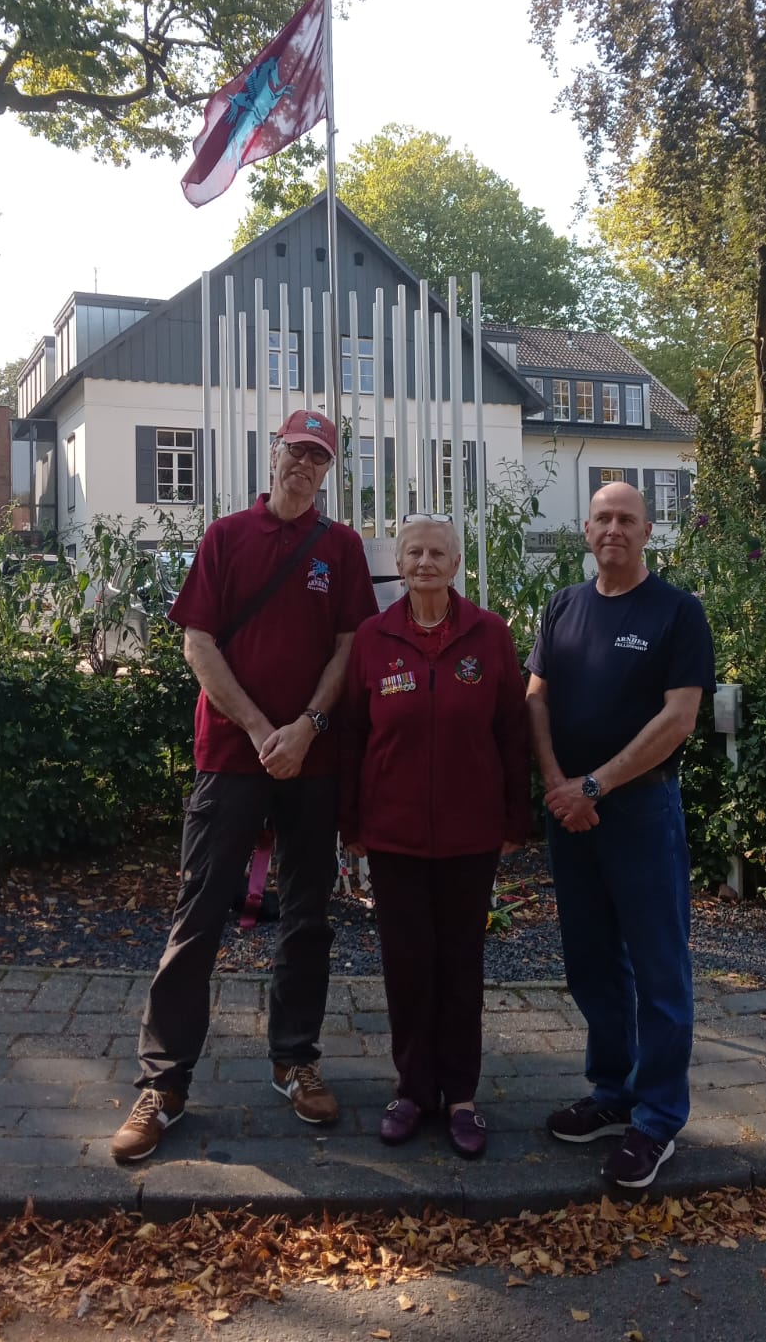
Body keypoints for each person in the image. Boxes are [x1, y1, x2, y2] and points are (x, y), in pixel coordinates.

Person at [111, 410, 378, 1163]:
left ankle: (295, 1060)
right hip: (231, 756)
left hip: (313, 760)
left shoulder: (342, 548)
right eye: (296, 451)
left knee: (306, 916)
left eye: (318, 459)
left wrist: (308, 727)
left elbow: (349, 647)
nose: (303, 466)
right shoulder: (226, 537)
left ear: (329, 472)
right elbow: (198, 644)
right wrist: (264, 731)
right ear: (273, 453)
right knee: (198, 916)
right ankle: (163, 1085)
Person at [526, 482, 715, 1190]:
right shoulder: (564, 606)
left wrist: (594, 785)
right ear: (586, 529)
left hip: (637, 813)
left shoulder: (676, 612)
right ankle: (613, 1092)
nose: (614, 529)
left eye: (627, 519)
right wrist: (557, 784)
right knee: (592, 962)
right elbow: (535, 697)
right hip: (569, 814)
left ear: (647, 531)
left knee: (660, 969)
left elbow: (679, 720)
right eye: (603, 517)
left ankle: (659, 1117)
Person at [341, 514, 530, 1159]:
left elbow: (512, 731)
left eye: (438, 553)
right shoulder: (373, 638)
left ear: (456, 565)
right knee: (406, 965)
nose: (425, 563)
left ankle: (463, 1097)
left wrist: (514, 818)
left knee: (460, 965)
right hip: (392, 836)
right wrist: (352, 822)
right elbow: (351, 735)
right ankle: (412, 1090)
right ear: (400, 562)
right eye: (415, 553)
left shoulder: (490, 635)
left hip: (470, 835)